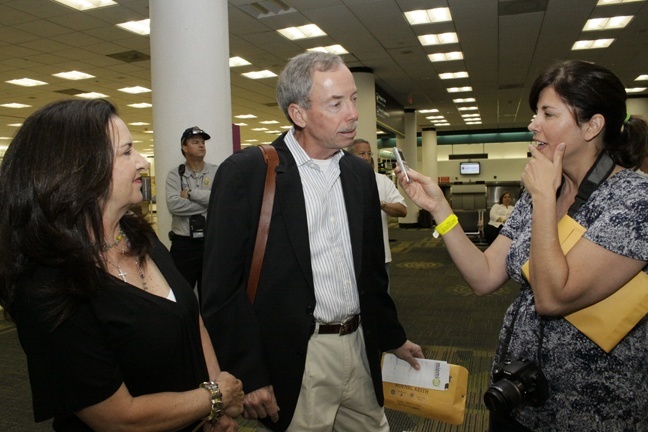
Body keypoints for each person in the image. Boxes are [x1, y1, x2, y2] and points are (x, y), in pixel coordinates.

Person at [394, 60, 648, 431]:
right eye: (535, 113)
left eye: (548, 113)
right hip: (519, 397)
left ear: (593, 126)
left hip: (591, 410)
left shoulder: (634, 201)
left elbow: (553, 297)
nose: (533, 125)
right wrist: (439, 208)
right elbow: (483, 277)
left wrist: (545, 197)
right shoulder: (541, 192)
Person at [201, 51, 423, 432]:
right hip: (300, 356)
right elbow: (220, 289)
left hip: (358, 347)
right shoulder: (248, 173)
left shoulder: (358, 174)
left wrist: (392, 336)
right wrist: (248, 372)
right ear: (298, 114)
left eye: (353, 98)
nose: (353, 113)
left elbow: (370, 273)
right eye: (336, 103)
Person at [0, 99, 244, 431]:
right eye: (127, 152)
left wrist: (214, 408)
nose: (143, 163)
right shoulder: (49, 285)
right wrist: (214, 397)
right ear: (79, 170)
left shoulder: (137, 234)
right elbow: (117, 418)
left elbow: (191, 318)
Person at [347, 139, 407, 292]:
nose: (366, 157)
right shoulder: (341, 181)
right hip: (349, 256)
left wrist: (382, 204)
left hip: (379, 256)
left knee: (381, 300)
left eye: (369, 153)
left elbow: (402, 210)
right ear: (349, 156)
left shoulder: (382, 181)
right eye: (362, 153)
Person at [166, 126, 218, 297]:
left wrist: (190, 194)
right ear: (184, 147)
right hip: (184, 246)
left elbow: (221, 198)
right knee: (182, 293)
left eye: (203, 142)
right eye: (195, 142)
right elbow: (174, 205)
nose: (201, 145)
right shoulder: (175, 175)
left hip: (210, 243)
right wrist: (209, 202)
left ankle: (209, 324)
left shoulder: (217, 171)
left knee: (211, 293)